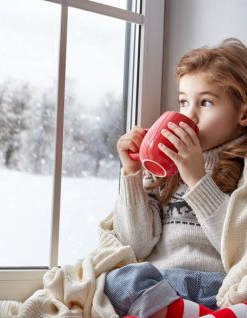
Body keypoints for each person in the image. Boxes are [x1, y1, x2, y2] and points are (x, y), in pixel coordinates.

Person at [104, 37, 247, 318]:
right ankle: (180, 313)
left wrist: (197, 179)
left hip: (218, 287)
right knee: (117, 280)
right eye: (183, 102)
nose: (190, 116)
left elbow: (238, 246)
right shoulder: (164, 167)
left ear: (243, 113)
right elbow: (136, 244)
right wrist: (133, 173)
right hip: (162, 283)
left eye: (205, 102)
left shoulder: (242, 169)